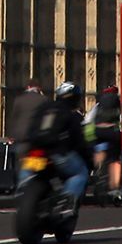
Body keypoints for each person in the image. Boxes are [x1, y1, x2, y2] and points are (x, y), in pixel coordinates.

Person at [32, 81, 91, 217]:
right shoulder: (72, 115)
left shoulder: (43, 109)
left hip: (34, 151)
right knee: (80, 173)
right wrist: (89, 158)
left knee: (29, 173)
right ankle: (66, 203)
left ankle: (22, 190)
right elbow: (80, 141)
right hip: (56, 153)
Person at [89, 82, 122, 202]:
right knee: (115, 160)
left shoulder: (98, 105)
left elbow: (88, 119)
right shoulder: (119, 103)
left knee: (99, 151)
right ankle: (115, 189)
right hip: (112, 132)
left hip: (98, 131)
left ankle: (97, 172)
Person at [9, 80, 45, 162]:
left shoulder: (19, 100)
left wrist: (11, 136)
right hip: (37, 138)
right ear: (39, 88)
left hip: (21, 138)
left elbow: (14, 119)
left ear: (28, 87)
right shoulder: (44, 99)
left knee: (20, 162)